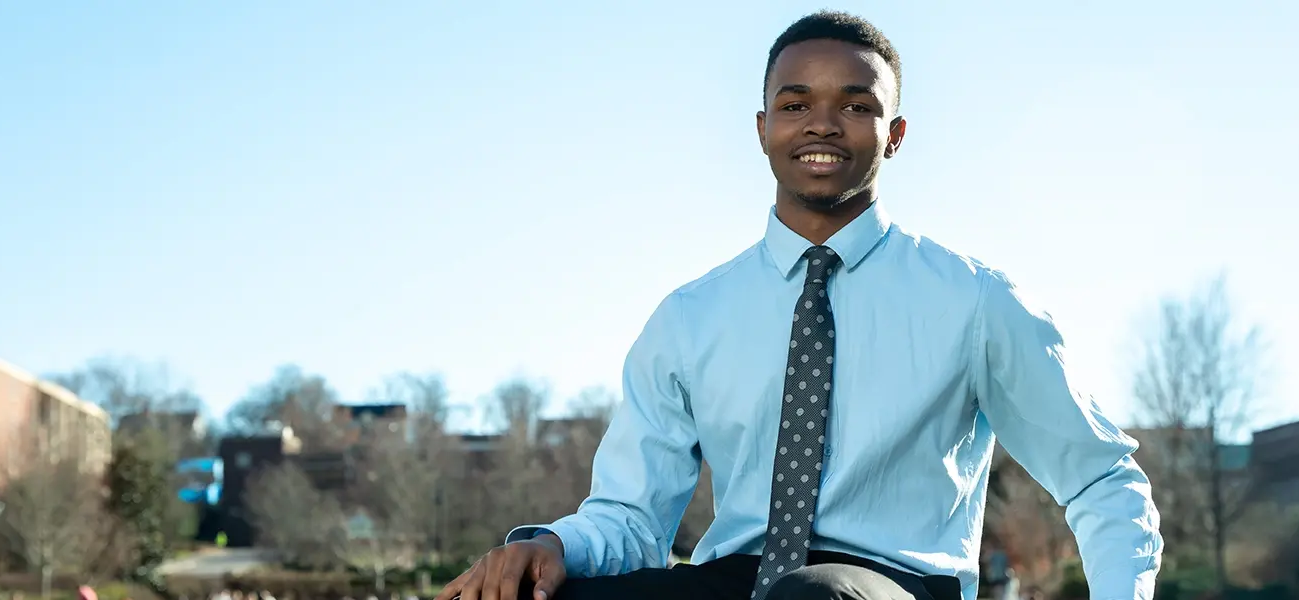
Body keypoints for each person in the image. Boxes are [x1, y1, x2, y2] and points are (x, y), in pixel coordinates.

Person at [434, 10, 1162, 600]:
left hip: (895, 586)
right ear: (762, 129)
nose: (821, 123)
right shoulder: (691, 318)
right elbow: (631, 519)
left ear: (895, 136)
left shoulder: (975, 301)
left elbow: (1102, 478)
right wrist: (549, 546)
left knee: (813, 597)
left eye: (856, 105)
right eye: (795, 104)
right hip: (734, 580)